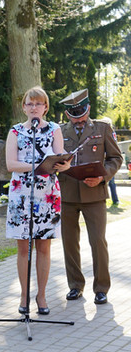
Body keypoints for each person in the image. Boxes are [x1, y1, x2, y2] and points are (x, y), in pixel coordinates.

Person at [5, 86, 70, 315]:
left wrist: (65, 164)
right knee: (23, 247)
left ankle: (41, 295)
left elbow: (59, 157)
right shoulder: (15, 132)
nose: (34, 108)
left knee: (44, 246)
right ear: (24, 107)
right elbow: (11, 164)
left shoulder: (54, 129)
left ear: (45, 107)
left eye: (38, 104)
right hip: (21, 194)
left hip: (47, 194)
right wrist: (38, 167)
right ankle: (24, 296)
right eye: (30, 104)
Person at [59, 89, 123, 305]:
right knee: (69, 242)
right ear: (67, 115)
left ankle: (102, 287)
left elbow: (115, 158)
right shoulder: (58, 131)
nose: (79, 119)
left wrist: (102, 177)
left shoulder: (103, 128)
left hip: (94, 193)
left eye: (82, 113)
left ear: (88, 109)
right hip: (67, 193)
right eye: (74, 115)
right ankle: (75, 285)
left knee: (97, 241)